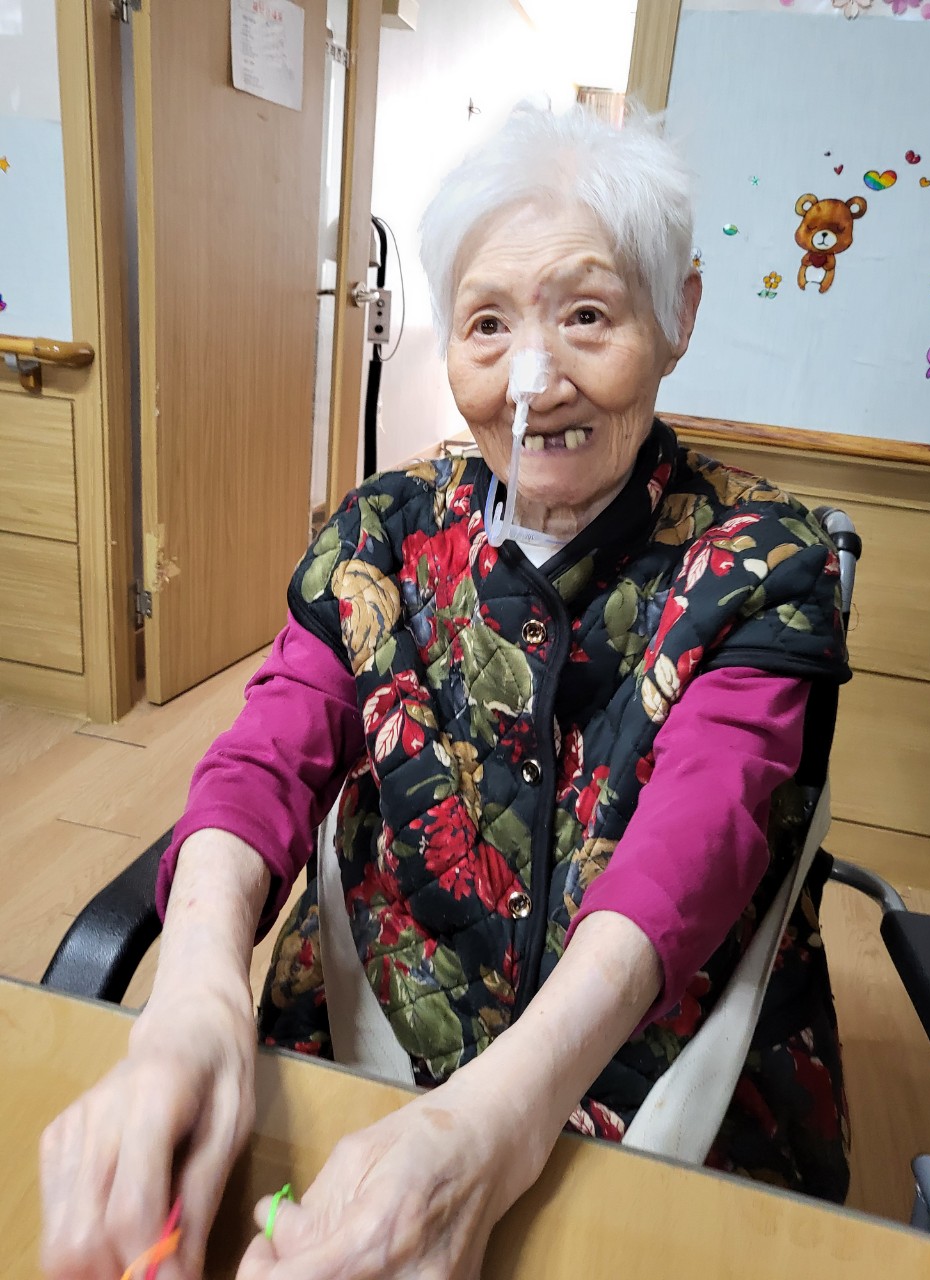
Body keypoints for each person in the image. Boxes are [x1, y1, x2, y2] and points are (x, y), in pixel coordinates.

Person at [40, 104, 851, 1280]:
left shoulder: (762, 559)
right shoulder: (385, 529)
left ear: (678, 313)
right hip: (363, 1042)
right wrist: (197, 988)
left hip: (656, 1085)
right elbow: (266, 758)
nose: (536, 379)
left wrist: (495, 1119)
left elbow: (697, 844)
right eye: (487, 323)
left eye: (587, 315)